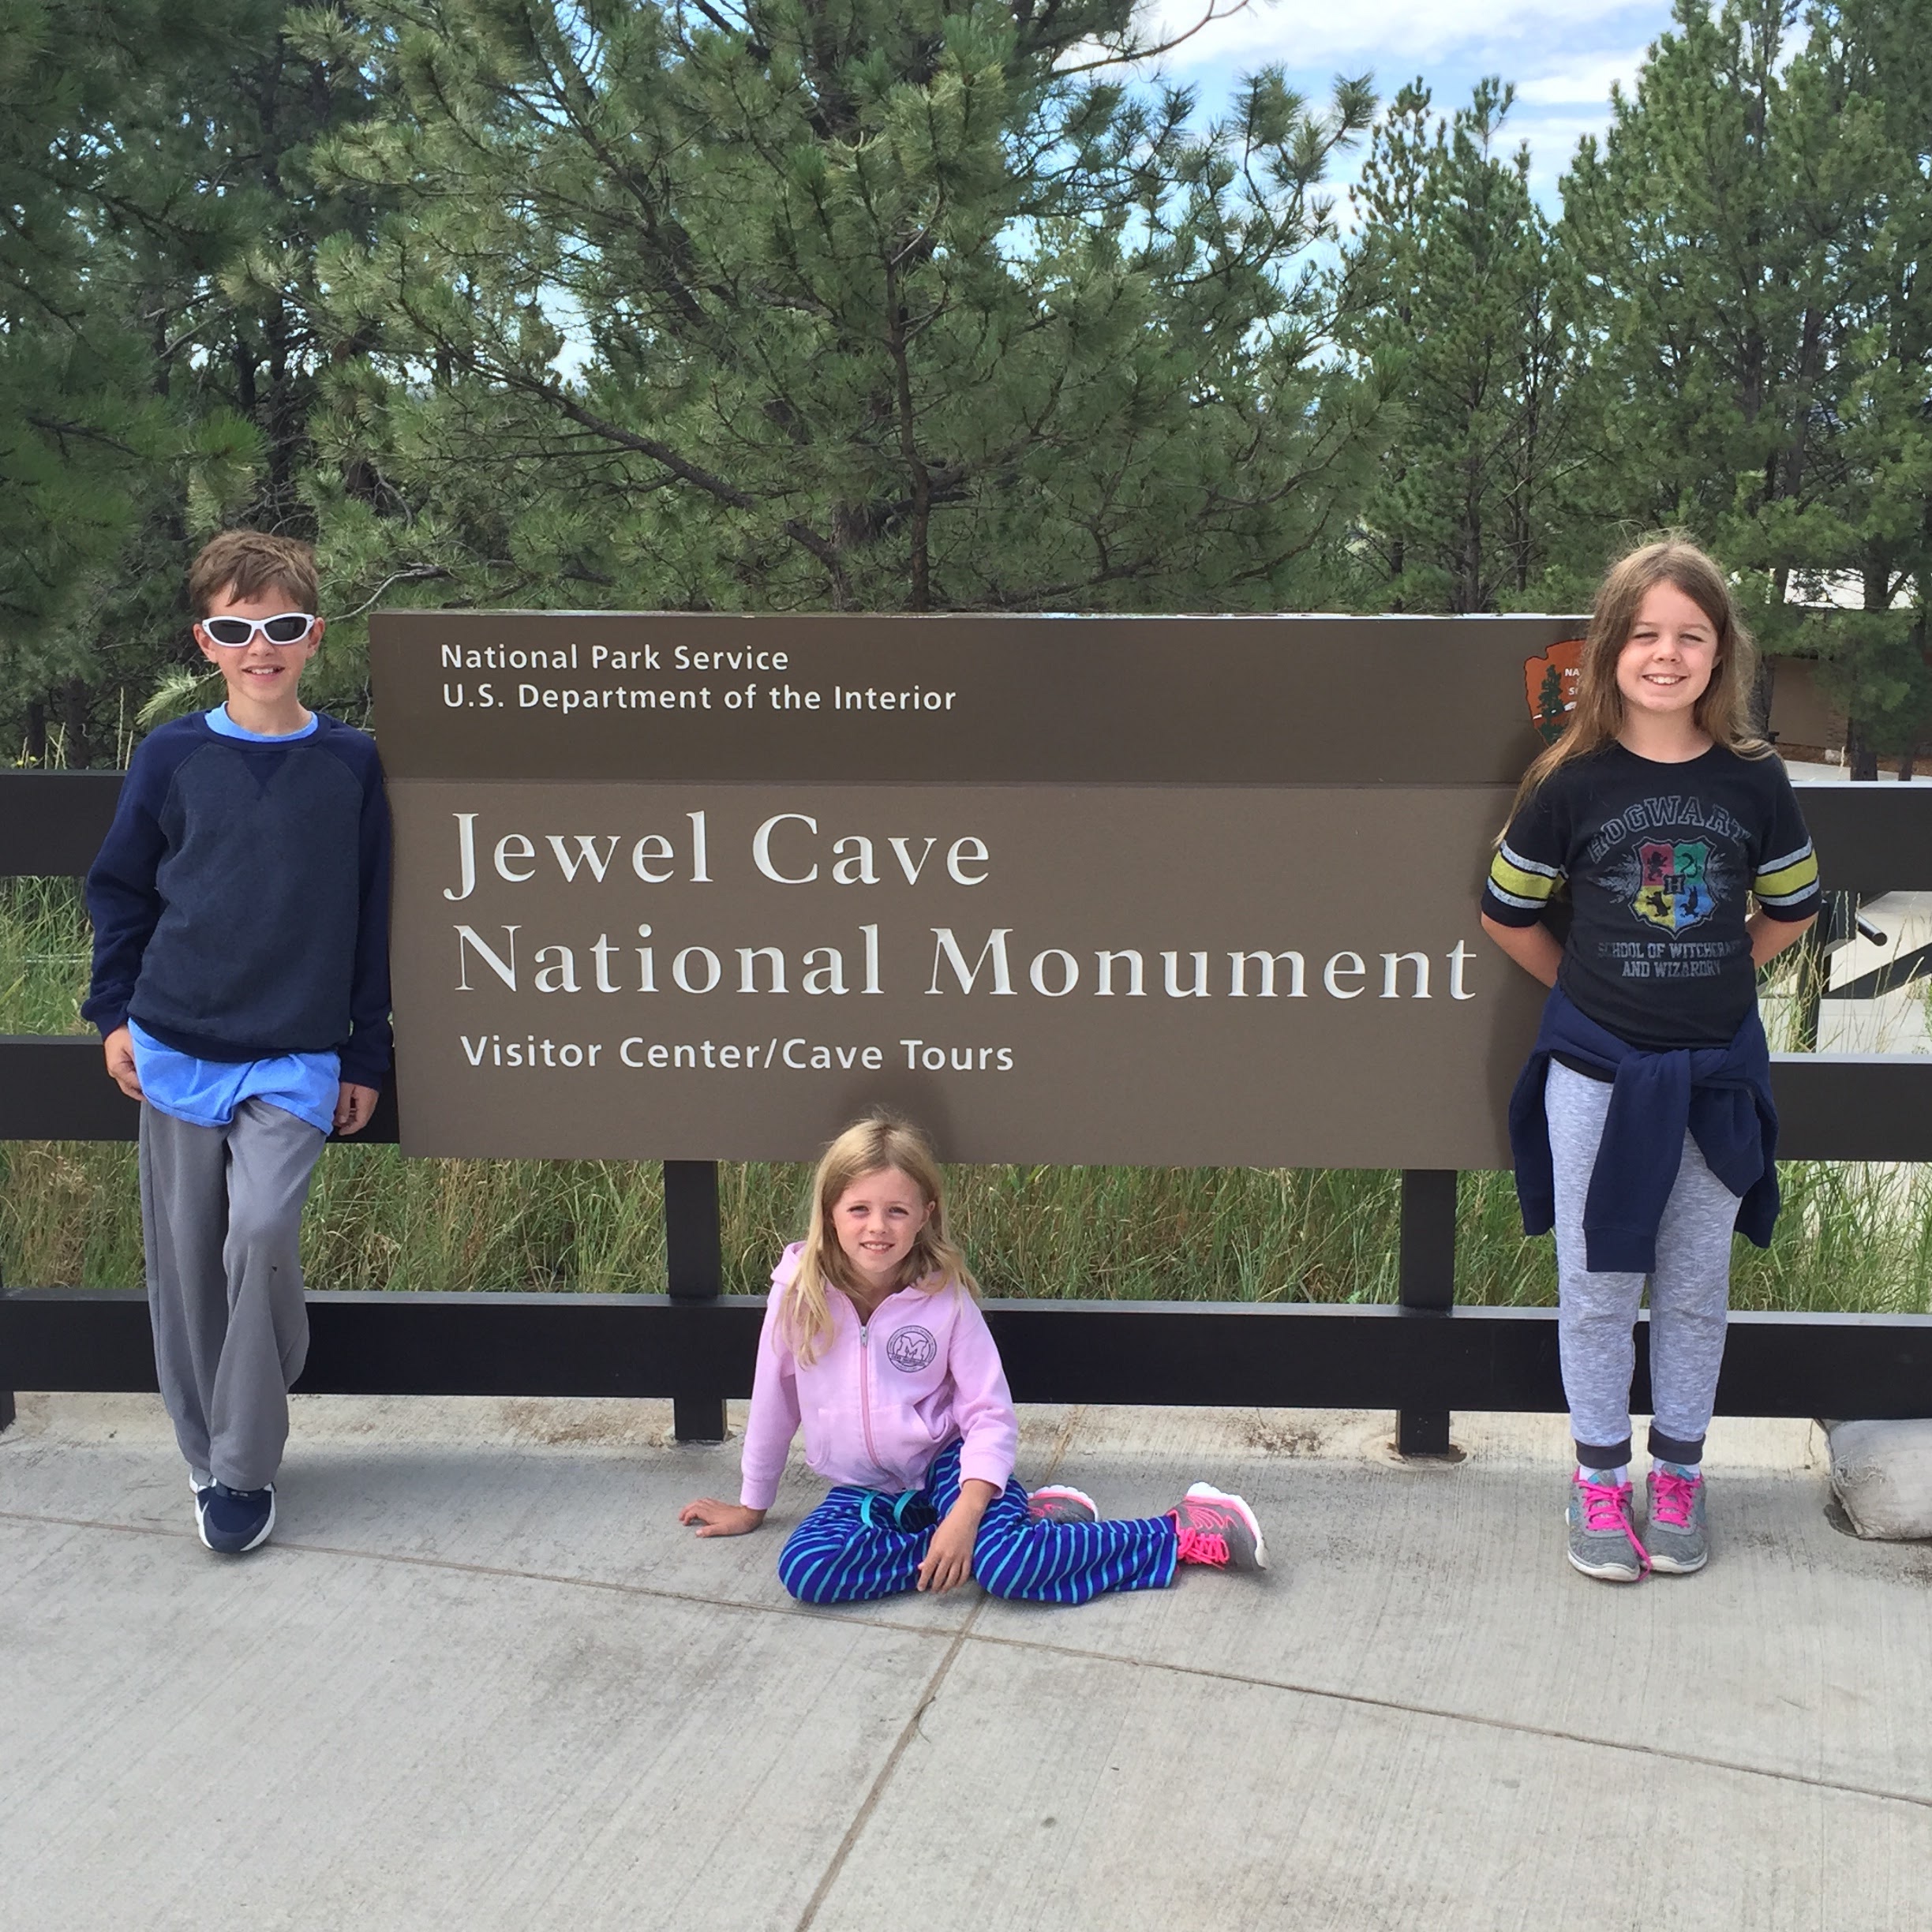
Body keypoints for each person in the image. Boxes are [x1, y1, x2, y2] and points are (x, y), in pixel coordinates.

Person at [1480, 537, 1819, 1584]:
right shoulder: (1569, 782)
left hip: (1712, 1076)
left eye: (1691, 637)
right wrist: (1589, 996)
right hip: (1595, 1075)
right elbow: (1505, 911)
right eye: (1645, 634)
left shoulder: (1753, 782)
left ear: (1721, 657)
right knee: (1593, 1285)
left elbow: (1794, 907)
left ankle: (1678, 1471)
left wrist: (1717, 973)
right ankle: (1595, 1479)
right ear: (1608, 647)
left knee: (1694, 1288)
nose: (1666, 655)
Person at [83, 530, 391, 1556]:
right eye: (236, 628)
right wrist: (114, 1014)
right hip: (174, 1041)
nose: (261, 646)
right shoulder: (172, 755)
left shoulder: (352, 763)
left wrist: (365, 1056)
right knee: (186, 1260)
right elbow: (121, 888)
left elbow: (373, 914)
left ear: (315, 639)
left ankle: (249, 1458)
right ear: (206, 641)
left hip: (296, 1051)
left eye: (283, 627)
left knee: (257, 1230)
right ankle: (212, 1455)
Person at [680, 1114, 1267, 1601]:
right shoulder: (797, 1294)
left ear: (926, 1214)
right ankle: (1020, 1533)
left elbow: (989, 1414)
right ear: (830, 1211)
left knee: (1009, 1570)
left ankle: (1179, 1532)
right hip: (862, 1487)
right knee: (808, 1571)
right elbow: (774, 1401)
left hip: (951, 1466)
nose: (877, 1228)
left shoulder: (945, 1299)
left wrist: (966, 1514)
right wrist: (753, 1504)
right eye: (858, 1209)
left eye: (897, 1211)